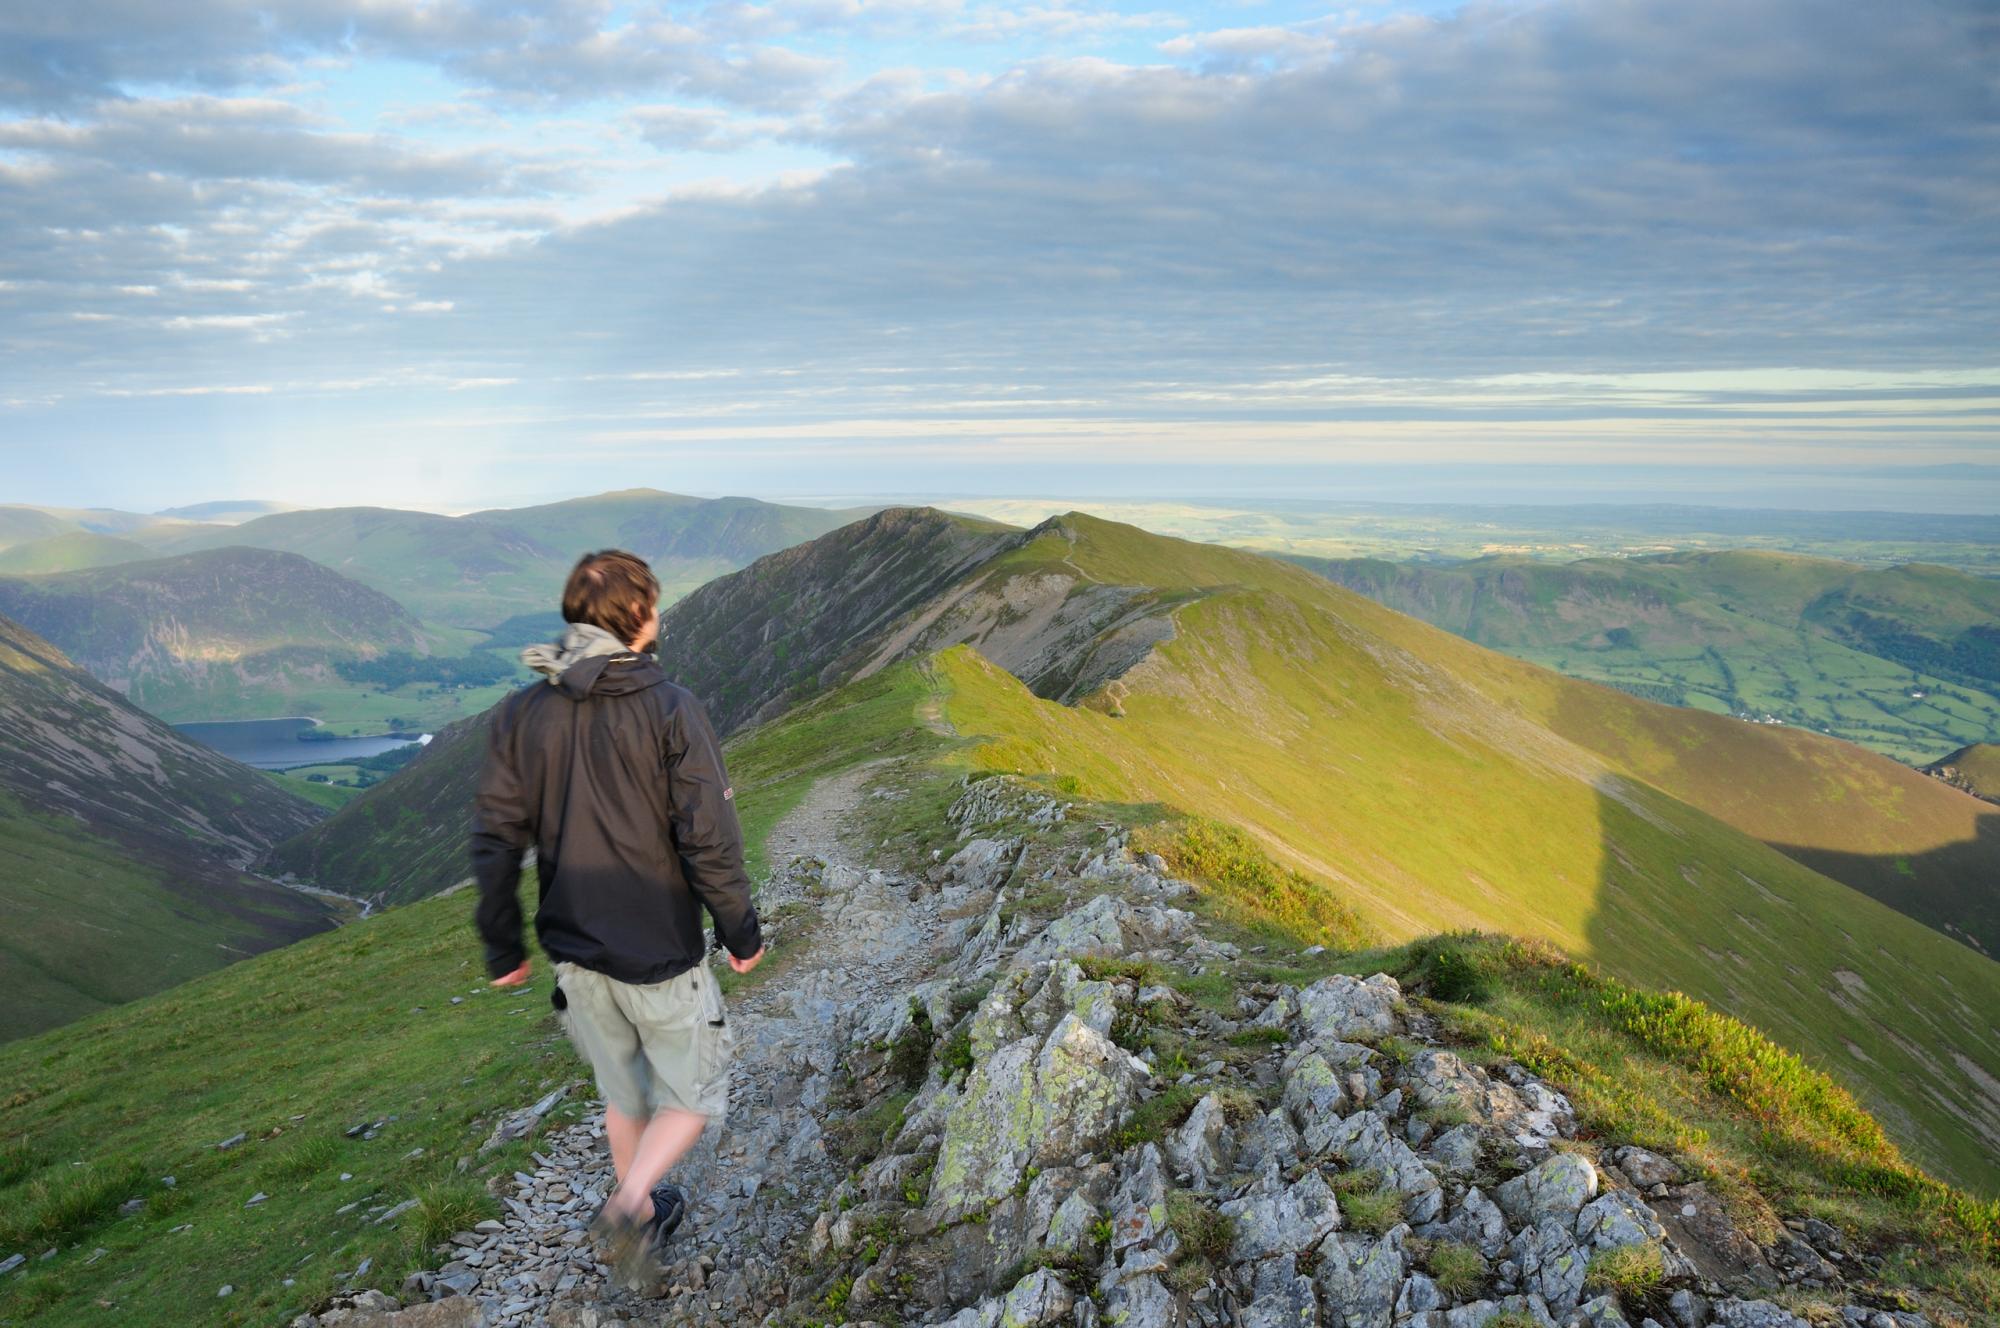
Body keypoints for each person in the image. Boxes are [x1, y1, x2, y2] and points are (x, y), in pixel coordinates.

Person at [470, 548, 764, 1285]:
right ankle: (629, 1202)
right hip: (659, 947)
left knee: (622, 1092)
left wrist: (503, 945)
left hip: (575, 951)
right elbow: (709, 835)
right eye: (655, 604)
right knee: (696, 1096)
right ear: (637, 618)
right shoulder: (670, 708)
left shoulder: (523, 712)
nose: (660, 616)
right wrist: (741, 931)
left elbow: (496, 838)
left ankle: (644, 1213)